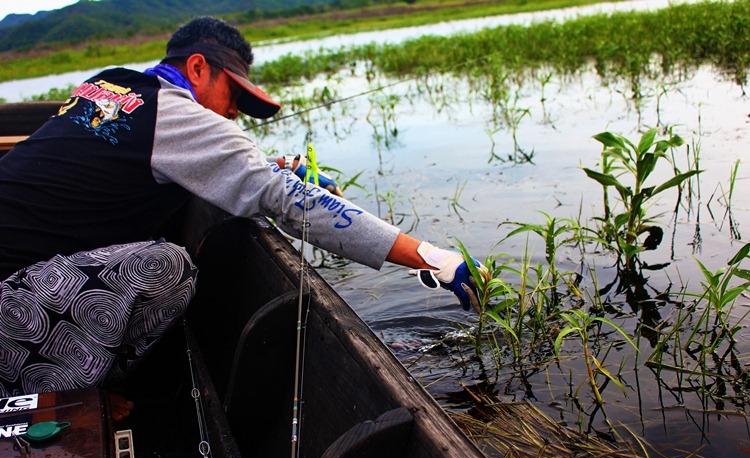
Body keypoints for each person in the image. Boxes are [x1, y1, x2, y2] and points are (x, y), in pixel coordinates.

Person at [0, 16, 483, 399]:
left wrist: (269, 165)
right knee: (168, 268)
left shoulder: (111, 86)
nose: (234, 114)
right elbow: (287, 203)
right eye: (233, 95)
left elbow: (148, 159)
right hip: (12, 314)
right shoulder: (178, 116)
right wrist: (434, 259)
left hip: (24, 283)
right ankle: (66, 397)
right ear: (196, 68)